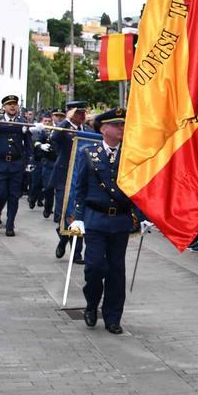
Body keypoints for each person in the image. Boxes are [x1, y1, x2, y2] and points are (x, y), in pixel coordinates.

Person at [67, 109, 147, 334]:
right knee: (94, 267)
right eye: (117, 125)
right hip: (95, 219)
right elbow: (79, 188)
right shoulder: (88, 153)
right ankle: (92, 305)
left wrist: (142, 218)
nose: (122, 128)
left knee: (115, 270)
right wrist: (78, 217)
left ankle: (113, 317)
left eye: (123, 125)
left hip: (119, 220)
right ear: (104, 129)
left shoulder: (130, 155)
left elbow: (138, 189)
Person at [45, 101, 91, 262]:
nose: (82, 116)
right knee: (62, 215)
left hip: (81, 179)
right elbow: (54, 137)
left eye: (83, 113)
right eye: (78, 113)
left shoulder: (88, 130)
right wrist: (66, 120)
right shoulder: (64, 128)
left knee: (77, 214)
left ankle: (76, 252)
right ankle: (63, 237)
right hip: (64, 178)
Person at [0, 94, 31, 237]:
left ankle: (10, 224)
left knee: (14, 196)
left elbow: (28, 145)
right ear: (4, 107)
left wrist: (29, 162)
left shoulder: (24, 123)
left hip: (16, 163)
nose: (12, 106)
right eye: (9, 104)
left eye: (14, 104)